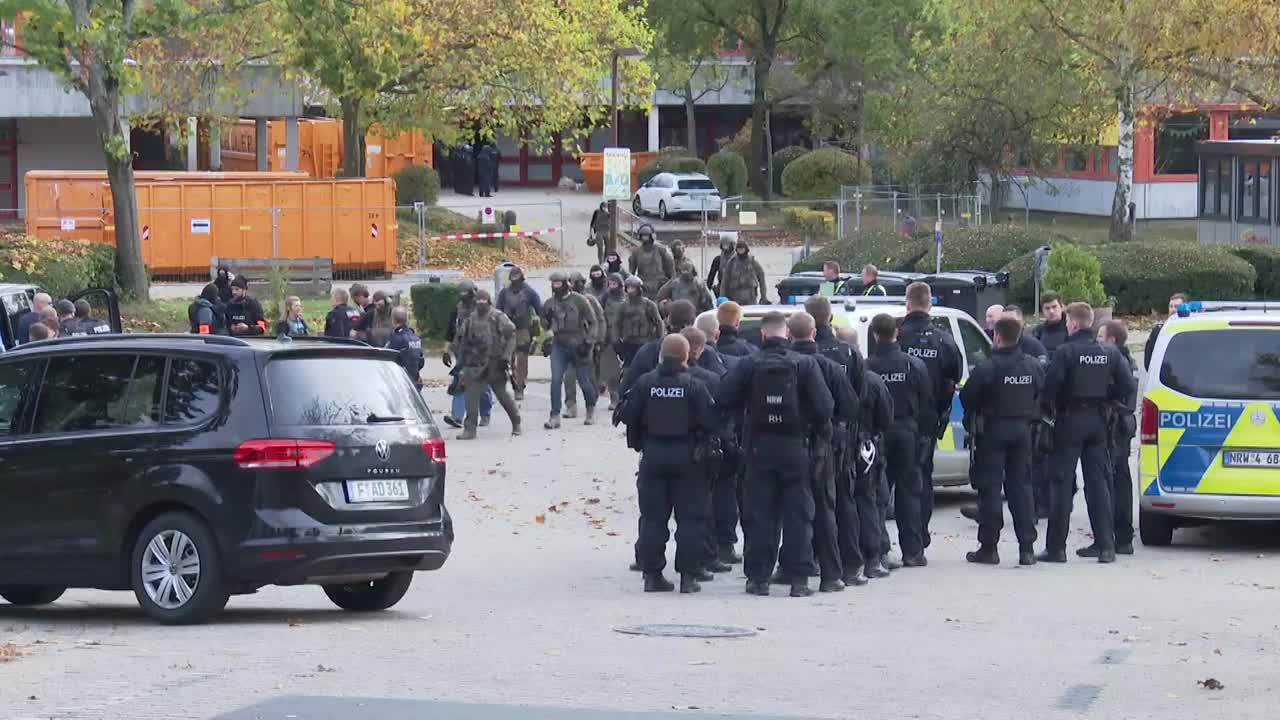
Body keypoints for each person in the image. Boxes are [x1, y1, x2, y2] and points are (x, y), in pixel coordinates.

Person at [716, 311, 835, 597]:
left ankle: (758, 578)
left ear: (763, 335)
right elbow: (825, 407)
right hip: (796, 447)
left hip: (758, 448)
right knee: (799, 515)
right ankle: (798, 580)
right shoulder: (804, 364)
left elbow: (723, 396)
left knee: (760, 514)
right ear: (788, 335)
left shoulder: (749, 364)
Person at [1040, 302, 1136, 564]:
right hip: (1099, 422)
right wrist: (1106, 399)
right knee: (1099, 485)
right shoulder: (1110, 353)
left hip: (1070, 420)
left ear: (1072, 323)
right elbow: (1127, 385)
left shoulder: (1065, 352)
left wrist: (1054, 409)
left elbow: (1050, 389)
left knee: (1062, 484)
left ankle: (1056, 548)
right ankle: (1106, 546)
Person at [622, 333, 719, 593]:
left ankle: (652, 575)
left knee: (653, 519)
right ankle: (688, 577)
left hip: (653, 455)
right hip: (689, 458)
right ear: (687, 356)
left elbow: (629, 415)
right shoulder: (695, 386)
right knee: (690, 519)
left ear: (661, 356)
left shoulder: (645, 383)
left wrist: (640, 441)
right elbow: (711, 422)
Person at [783, 311, 860, 592]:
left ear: (789, 335)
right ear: (813, 333)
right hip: (823, 446)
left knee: (791, 512)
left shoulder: (782, 364)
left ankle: (789, 570)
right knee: (827, 509)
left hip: (784, 445)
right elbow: (851, 406)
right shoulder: (829, 366)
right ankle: (831, 575)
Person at [960, 317, 1043, 566]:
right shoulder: (1032, 366)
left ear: (997, 336)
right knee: (1021, 488)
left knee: (990, 489)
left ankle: (989, 547)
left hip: (993, 431)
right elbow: (1043, 392)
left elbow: (967, 397)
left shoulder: (988, 367)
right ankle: (1026, 549)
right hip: (1023, 430)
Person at [808, 296, 871, 585]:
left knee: (803, 501)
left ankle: (805, 561)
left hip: (808, 435)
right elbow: (859, 397)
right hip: (840, 435)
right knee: (842, 500)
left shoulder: (805, 353)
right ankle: (849, 563)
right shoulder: (848, 354)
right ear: (830, 318)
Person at [897, 282, 962, 552]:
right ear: (930, 304)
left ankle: (894, 544)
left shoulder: (897, 336)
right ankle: (919, 539)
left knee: (895, 483)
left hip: (895, 417)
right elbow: (954, 377)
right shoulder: (944, 339)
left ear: (907, 303)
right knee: (921, 480)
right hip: (927, 419)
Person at [865, 313, 933, 567]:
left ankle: (879, 549)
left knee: (876, 493)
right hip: (907, 432)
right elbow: (927, 403)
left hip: (877, 434)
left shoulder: (866, 366)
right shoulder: (913, 365)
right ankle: (913, 551)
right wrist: (925, 435)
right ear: (897, 333)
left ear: (874, 335)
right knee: (909, 492)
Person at [680, 327, 734, 578]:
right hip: (701, 451)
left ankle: (651, 568)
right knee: (703, 508)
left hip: (662, 451)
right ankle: (704, 559)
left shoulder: (650, 379)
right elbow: (720, 417)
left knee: (660, 514)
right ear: (698, 350)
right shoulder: (710, 379)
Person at [842, 325, 895, 578]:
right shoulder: (872, 380)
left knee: (841, 502)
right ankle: (873, 559)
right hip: (866, 448)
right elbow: (886, 418)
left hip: (838, 445)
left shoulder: (830, 373)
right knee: (868, 501)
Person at [1094, 319, 1139, 556]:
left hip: (1115, 426)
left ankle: (1112, 537)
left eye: (1100, 337)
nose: (1096, 341)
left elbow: (1117, 395)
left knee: (1111, 482)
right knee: (1121, 480)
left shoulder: (1115, 363)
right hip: (1122, 425)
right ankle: (1123, 538)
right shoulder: (1127, 361)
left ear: (1112, 340)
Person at [454, 290, 521, 438]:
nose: (481, 304)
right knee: (470, 397)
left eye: (483, 301)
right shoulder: (471, 319)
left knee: (503, 396)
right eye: (478, 301)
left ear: (489, 301)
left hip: (494, 363)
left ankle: (516, 422)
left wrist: (506, 357)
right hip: (475, 365)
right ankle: (470, 429)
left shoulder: (497, 317)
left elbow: (511, 336)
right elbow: (461, 339)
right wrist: (461, 360)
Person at [541, 271, 600, 429]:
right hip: (559, 345)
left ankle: (590, 409)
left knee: (583, 380)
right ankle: (554, 415)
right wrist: (546, 318)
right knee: (556, 380)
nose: (555, 286)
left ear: (566, 283)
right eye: (553, 283)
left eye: (558, 283)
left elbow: (593, 322)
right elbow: (544, 326)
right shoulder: (549, 303)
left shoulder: (580, 300)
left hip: (578, 344)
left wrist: (589, 342)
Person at [444, 281, 491, 429]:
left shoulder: (484, 308)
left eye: (467, 295)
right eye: (461, 295)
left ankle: (485, 413)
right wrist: (446, 350)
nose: (464, 298)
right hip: (462, 353)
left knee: (482, 384)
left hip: (481, 353)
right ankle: (457, 416)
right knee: (460, 381)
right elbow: (450, 332)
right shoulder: (457, 309)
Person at [563, 271, 609, 419]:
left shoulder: (590, 300)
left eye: (575, 282)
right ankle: (571, 405)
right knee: (569, 376)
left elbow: (600, 321)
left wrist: (598, 340)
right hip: (570, 344)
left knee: (588, 377)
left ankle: (591, 403)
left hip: (586, 344)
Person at [495, 266, 543, 402]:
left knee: (522, 359)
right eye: (513, 279)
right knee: (507, 359)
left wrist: (544, 322)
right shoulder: (504, 293)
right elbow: (497, 311)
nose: (515, 282)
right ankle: (512, 383)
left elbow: (539, 308)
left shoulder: (529, 292)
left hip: (523, 329)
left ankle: (520, 386)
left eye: (517, 279)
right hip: (507, 330)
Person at [613, 275, 663, 367]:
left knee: (646, 367)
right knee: (628, 368)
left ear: (639, 289)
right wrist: (616, 340)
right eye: (629, 288)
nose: (630, 291)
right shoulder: (623, 306)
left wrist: (659, 339)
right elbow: (617, 324)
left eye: (633, 288)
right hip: (628, 342)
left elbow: (658, 322)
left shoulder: (649, 305)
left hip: (645, 341)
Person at [600, 273, 628, 409]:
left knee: (626, 370)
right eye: (610, 284)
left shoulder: (628, 298)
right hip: (608, 337)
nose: (612, 287)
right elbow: (598, 317)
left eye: (614, 284)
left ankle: (625, 396)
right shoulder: (605, 298)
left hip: (625, 337)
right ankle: (614, 397)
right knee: (611, 370)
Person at [1143, 292, 1188, 371]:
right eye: (1171, 306)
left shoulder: (1190, 330)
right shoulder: (1158, 330)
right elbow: (1148, 360)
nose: (1173, 309)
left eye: (1177, 307)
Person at [628, 224, 674, 300]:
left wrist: (670, 281)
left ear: (651, 236)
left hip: (660, 283)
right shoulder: (636, 252)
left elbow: (670, 266)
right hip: (643, 284)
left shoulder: (661, 249)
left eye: (647, 236)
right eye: (643, 236)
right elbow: (631, 271)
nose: (645, 238)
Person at [386, 306, 425, 390]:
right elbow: (421, 361)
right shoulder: (415, 338)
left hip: (400, 382)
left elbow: (388, 360)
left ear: (393, 320)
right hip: (413, 381)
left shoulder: (396, 338)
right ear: (406, 319)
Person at [721, 238, 768, 305]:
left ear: (746, 249)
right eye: (739, 249)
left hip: (750, 295)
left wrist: (764, 296)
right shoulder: (732, 262)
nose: (741, 251)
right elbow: (725, 280)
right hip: (735, 295)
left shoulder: (752, 261)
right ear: (736, 250)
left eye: (742, 249)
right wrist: (722, 297)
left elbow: (761, 277)